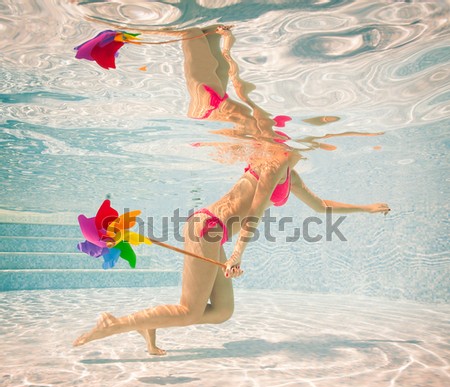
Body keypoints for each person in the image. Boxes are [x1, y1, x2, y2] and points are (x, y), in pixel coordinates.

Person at [73, 26, 390, 353]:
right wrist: (237, 253)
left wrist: (367, 208)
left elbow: (321, 206)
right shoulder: (276, 160)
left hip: (215, 230)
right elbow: (254, 211)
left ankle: (150, 322)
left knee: (221, 311)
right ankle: (115, 324)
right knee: (190, 310)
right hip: (207, 227)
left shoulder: (288, 170)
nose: (320, 149)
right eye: (322, 143)